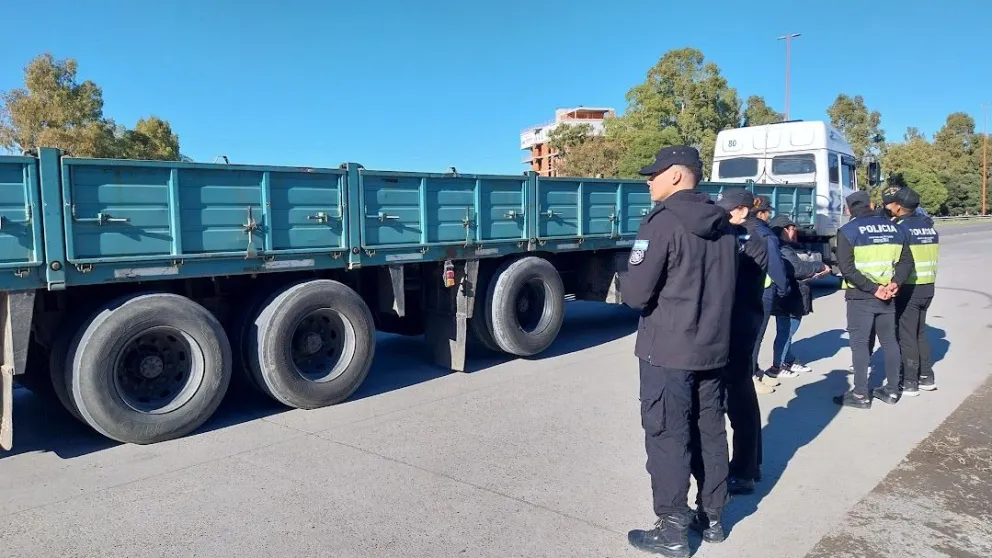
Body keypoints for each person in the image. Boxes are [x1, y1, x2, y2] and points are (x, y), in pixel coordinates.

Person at [619, 146, 738, 557]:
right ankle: (714, 518)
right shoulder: (724, 226)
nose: (648, 181)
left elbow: (636, 295)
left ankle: (672, 528)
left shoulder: (663, 223)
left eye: (653, 174)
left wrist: (626, 277)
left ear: (674, 176)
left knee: (668, 435)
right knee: (710, 431)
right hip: (712, 349)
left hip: (667, 351)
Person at [713, 188, 768, 498]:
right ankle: (751, 464)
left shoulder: (748, 240)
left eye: (727, 210)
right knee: (742, 395)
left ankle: (744, 471)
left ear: (742, 211)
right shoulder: (739, 236)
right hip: (740, 323)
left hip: (738, 325)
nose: (723, 214)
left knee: (739, 399)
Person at [834, 191, 913, 408]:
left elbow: (846, 268)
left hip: (862, 295)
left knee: (860, 344)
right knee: (889, 342)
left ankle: (860, 394)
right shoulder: (896, 228)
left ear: (849, 209)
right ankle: (892, 390)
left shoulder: (848, 231)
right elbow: (907, 262)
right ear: (871, 204)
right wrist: (895, 283)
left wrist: (873, 288)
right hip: (888, 294)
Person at [882, 186, 939, 394]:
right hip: (928, 286)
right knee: (919, 333)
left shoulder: (900, 227)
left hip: (909, 286)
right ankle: (926, 376)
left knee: (906, 335)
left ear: (898, 206)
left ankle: (909, 381)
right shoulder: (929, 228)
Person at [767, 215, 831, 378]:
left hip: (788, 295)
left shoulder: (779, 245)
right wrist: (819, 265)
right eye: (792, 229)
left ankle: (788, 361)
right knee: (786, 331)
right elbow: (798, 269)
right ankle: (777, 367)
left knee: (786, 330)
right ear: (784, 230)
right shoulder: (782, 247)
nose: (794, 232)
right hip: (790, 295)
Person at [749, 196, 790, 388]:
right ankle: (751, 377)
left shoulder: (738, 229)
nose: (769, 216)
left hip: (740, 291)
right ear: (761, 213)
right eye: (768, 212)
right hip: (763, 291)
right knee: (756, 336)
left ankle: (753, 370)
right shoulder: (766, 234)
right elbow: (775, 266)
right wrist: (784, 288)